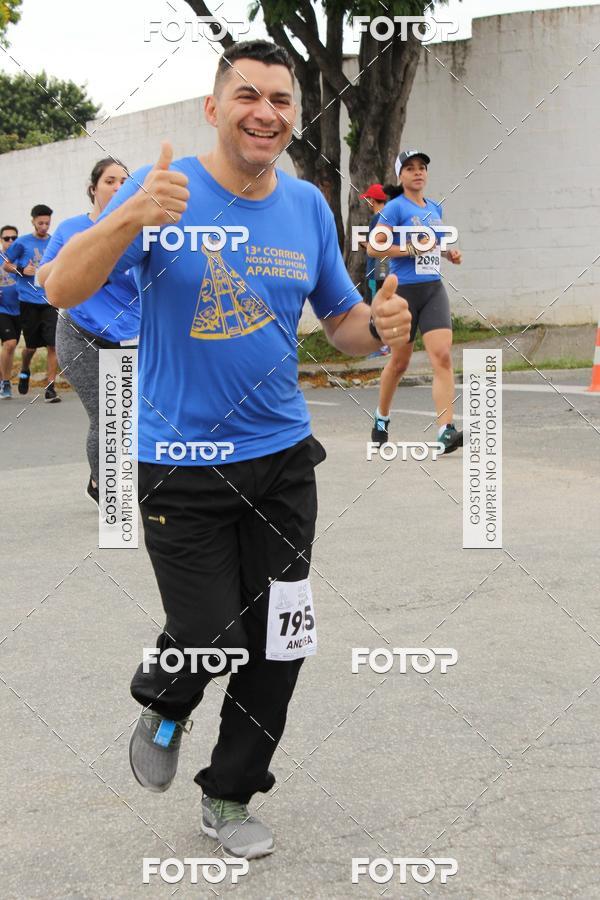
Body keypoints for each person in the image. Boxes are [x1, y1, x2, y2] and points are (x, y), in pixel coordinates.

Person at [44, 40, 411, 859]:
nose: (265, 112)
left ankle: (230, 794)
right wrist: (129, 217)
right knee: (213, 633)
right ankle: (167, 698)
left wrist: (380, 327)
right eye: (248, 95)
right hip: (178, 466)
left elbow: (342, 323)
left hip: (282, 461)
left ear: (294, 115)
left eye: (281, 99)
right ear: (213, 109)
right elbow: (60, 287)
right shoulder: (162, 189)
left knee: (281, 641)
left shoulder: (307, 206)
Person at [38, 158, 139, 507]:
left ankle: (109, 479)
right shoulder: (72, 228)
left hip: (129, 337)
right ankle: (106, 489)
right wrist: (82, 251)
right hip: (81, 334)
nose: (118, 187)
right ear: (93, 189)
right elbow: (44, 278)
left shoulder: (141, 232)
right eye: (110, 181)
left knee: (130, 418)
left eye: (125, 181)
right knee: (108, 416)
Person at [367, 150, 463, 453]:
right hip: (404, 293)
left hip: (433, 289)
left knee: (442, 356)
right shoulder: (394, 208)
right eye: (410, 168)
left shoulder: (435, 207)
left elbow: (433, 243)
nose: (418, 172)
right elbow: (373, 248)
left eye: (422, 167)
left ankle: (445, 430)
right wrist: (409, 249)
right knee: (399, 363)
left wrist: (448, 252)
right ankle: (381, 417)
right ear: (401, 176)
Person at [3, 204, 60, 402]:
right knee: (31, 347)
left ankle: (50, 388)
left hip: (49, 300)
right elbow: (6, 265)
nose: (44, 227)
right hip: (28, 301)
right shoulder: (22, 243)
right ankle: (25, 369)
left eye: (47, 223)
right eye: (40, 223)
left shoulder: (54, 242)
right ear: (33, 221)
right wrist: (21, 270)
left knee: (53, 345)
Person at [359, 183, 390, 357]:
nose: (368, 202)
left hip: (376, 269)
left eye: (368, 199)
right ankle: (387, 344)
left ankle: (380, 346)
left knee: (375, 307)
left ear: (373, 200)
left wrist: (364, 244)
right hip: (386, 267)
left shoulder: (376, 219)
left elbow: (375, 246)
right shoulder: (390, 218)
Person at [0, 225, 20, 399]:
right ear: (1, 240)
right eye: (7, 238)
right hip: (2, 309)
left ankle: (4, 378)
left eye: (14, 238)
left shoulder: (21, 258)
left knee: (10, 347)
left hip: (20, 309)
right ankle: (5, 382)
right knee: (10, 344)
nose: (11, 241)